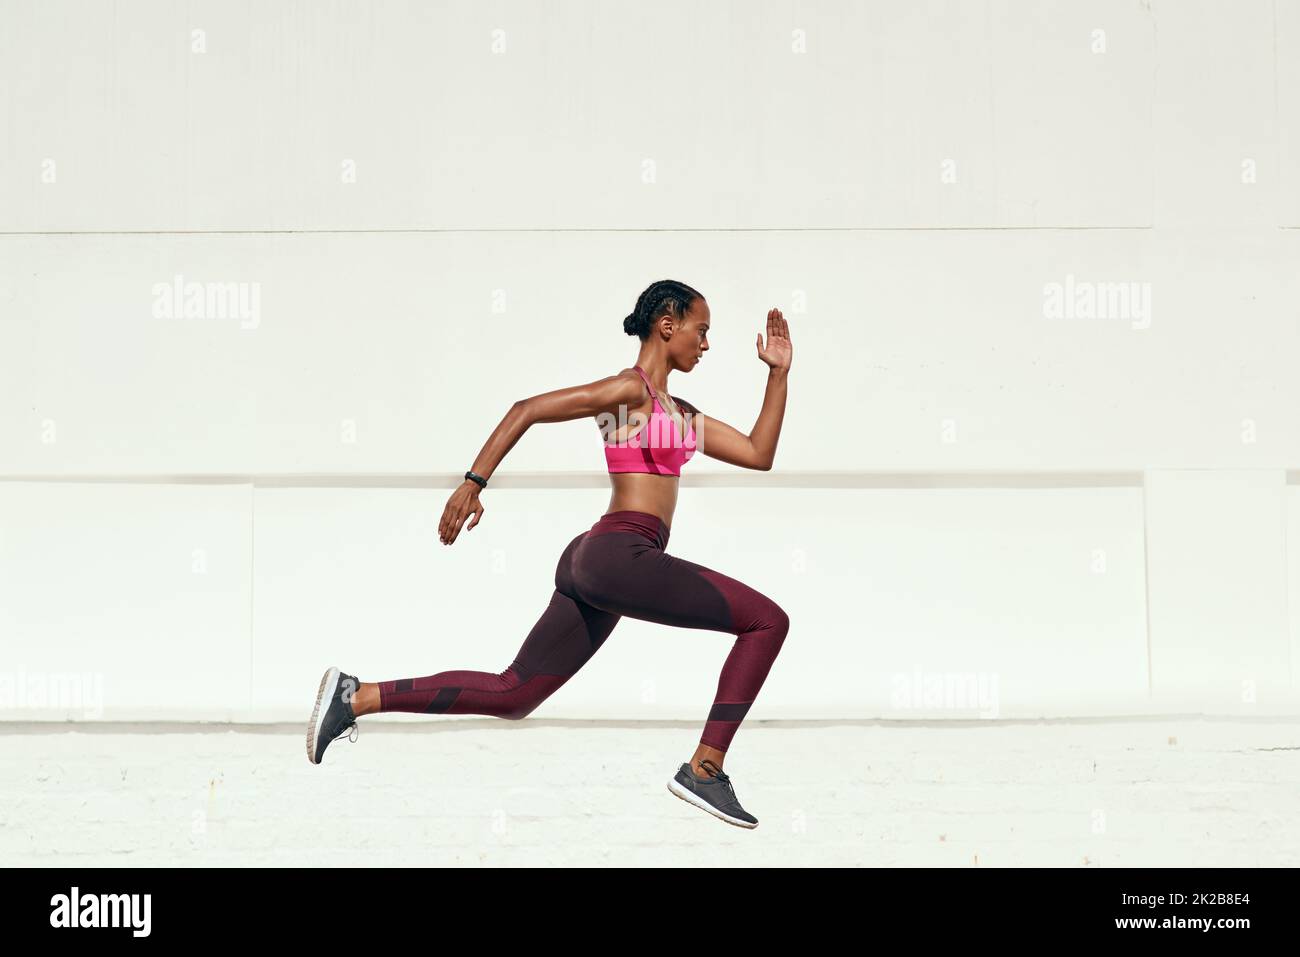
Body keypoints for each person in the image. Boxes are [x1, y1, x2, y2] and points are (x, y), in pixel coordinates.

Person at [307, 279, 792, 828]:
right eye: (701, 331)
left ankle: (355, 697)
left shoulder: (681, 412)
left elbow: (758, 453)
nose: (706, 345)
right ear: (668, 324)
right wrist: (474, 482)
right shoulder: (627, 392)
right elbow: (528, 408)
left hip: (601, 562)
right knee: (766, 621)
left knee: (514, 694)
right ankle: (705, 769)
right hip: (618, 554)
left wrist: (777, 374)